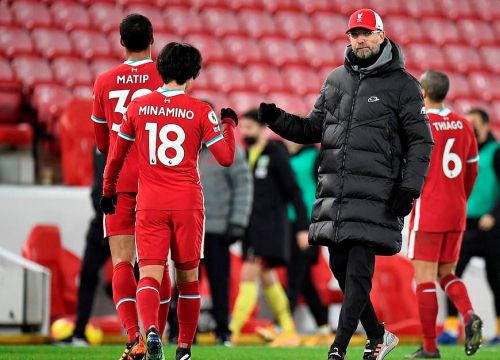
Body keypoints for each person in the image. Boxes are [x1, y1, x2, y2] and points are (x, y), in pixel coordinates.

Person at [257, 8, 434, 360]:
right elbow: (312, 129)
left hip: (377, 196)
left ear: (381, 35)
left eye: (366, 32)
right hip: (336, 196)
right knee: (341, 271)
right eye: (354, 34)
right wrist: (277, 119)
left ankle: (338, 348)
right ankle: (379, 335)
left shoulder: (404, 85)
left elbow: (420, 142)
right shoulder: (336, 79)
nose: (360, 39)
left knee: (357, 275)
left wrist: (409, 189)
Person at [101, 41, 238, 360]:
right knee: (188, 278)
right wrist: (229, 125)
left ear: (160, 70)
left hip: (149, 204)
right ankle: (185, 349)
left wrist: (108, 191)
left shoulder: (138, 107)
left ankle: (150, 332)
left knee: (149, 274)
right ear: (193, 75)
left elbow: (115, 157)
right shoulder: (201, 110)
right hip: (188, 204)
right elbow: (226, 157)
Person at [91, 14, 166, 359]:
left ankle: (134, 337)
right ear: (153, 39)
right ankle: (155, 334)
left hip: (120, 181)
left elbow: (102, 142)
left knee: (122, 261)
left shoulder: (104, 81)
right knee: (155, 265)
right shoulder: (164, 75)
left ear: (121, 42)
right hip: (158, 181)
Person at [404, 71, 481, 359]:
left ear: (423, 91)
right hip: (456, 211)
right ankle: (469, 313)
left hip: (429, 212)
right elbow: (472, 170)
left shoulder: (419, 122)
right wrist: (460, 198)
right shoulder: (464, 124)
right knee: (446, 273)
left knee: (424, 280)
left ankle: (430, 348)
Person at [229, 109, 309, 347]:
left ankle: (231, 331)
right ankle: (289, 329)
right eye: (242, 128)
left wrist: (303, 226)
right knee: (267, 277)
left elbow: (294, 191)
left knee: (250, 271)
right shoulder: (244, 155)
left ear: (263, 129)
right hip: (250, 227)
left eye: (250, 128)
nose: (244, 133)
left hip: (271, 226)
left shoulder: (275, 153)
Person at [439, 108, 500, 347]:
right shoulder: (464, 152)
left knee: (496, 280)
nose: (470, 127)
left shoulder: (496, 153)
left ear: (486, 125)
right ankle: (452, 331)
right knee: (452, 275)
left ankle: (497, 333)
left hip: (492, 227)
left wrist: (494, 215)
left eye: (474, 123)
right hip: (466, 225)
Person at [199, 111, 253, 345]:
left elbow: (243, 185)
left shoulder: (227, 148)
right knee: (182, 284)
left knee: (220, 282)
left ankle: (223, 330)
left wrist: (237, 222)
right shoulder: (181, 147)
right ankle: (179, 331)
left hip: (217, 229)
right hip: (187, 228)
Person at [61, 147, 110, 346]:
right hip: (100, 223)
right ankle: (79, 332)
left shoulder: (131, 141)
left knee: (143, 278)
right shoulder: (99, 148)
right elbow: (98, 185)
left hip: (125, 221)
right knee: (87, 276)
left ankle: (157, 330)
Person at [284, 140, 331, 346]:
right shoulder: (282, 156)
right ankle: (323, 324)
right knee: (303, 280)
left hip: (310, 220)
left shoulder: (315, 156)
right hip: (287, 222)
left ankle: (282, 325)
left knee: (296, 273)